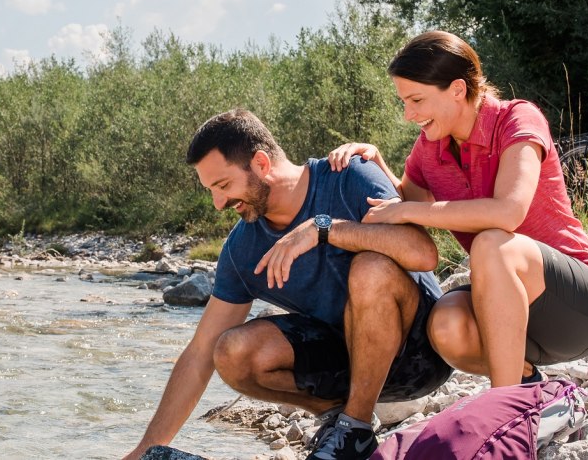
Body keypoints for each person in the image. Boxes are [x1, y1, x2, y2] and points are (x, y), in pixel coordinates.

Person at [124, 109, 453, 460]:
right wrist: (145, 450)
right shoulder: (243, 248)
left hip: (419, 355)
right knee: (230, 350)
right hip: (346, 363)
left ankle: (353, 429)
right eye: (211, 191)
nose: (219, 203)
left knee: (370, 267)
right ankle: (339, 420)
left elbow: (422, 253)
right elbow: (201, 352)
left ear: (261, 163)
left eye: (222, 186)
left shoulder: (348, 176)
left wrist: (324, 229)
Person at [327, 30, 588, 391]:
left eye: (416, 100)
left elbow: (508, 212)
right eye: (404, 102)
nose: (408, 114)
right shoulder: (428, 149)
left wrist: (406, 212)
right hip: (513, 321)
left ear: (458, 90)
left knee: (491, 243)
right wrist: (374, 159)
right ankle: (531, 390)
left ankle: (504, 409)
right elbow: (407, 204)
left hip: (581, 311)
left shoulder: (517, 119)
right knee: (445, 324)